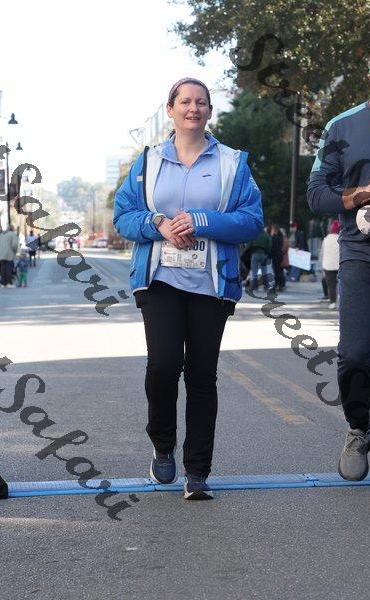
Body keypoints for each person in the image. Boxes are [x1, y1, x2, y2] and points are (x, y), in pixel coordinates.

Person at [113, 77, 263, 500]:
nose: (193, 108)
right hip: (160, 279)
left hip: (211, 283)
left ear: (209, 111)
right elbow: (123, 216)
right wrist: (157, 223)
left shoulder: (233, 163)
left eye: (201, 102)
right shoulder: (148, 161)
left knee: (201, 374)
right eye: (185, 101)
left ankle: (197, 471)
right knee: (163, 365)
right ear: (171, 109)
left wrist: (202, 221)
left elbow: (252, 220)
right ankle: (162, 444)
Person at [307, 41, 370, 494]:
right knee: (356, 355)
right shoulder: (341, 127)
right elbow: (316, 196)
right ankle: (358, 427)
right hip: (363, 256)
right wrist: (367, 192)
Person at [319, 219, 340, 309]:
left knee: (331, 285)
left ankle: (332, 302)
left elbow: (322, 252)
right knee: (341, 283)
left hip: (328, 265)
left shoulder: (326, 239)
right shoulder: (341, 238)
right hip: (339, 265)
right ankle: (341, 300)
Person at [246, 227, 270, 292]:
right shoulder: (266, 235)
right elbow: (269, 245)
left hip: (255, 254)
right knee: (264, 271)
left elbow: (249, 245)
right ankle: (266, 286)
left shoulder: (254, 234)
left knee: (254, 271)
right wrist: (267, 254)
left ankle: (254, 286)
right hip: (263, 254)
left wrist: (250, 252)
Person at [270, 224, 285, 291]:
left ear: (274, 230)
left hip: (275, 256)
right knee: (280, 271)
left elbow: (272, 248)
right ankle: (281, 284)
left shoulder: (273, 238)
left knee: (276, 271)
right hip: (280, 256)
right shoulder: (280, 237)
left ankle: (276, 285)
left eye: (272, 229)